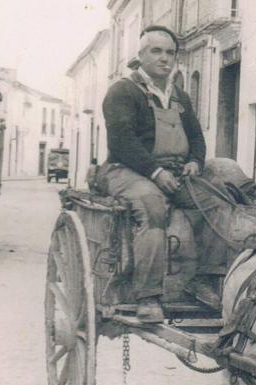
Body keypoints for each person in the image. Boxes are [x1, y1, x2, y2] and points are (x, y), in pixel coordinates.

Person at [96, 25, 221, 323]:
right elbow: (122, 141)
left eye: (170, 53)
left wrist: (195, 161)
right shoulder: (123, 92)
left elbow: (197, 136)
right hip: (125, 170)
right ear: (140, 56)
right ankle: (148, 297)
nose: (165, 59)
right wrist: (154, 172)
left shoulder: (179, 96)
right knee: (152, 207)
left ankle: (203, 280)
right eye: (156, 51)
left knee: (216, 203)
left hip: (174, 173)